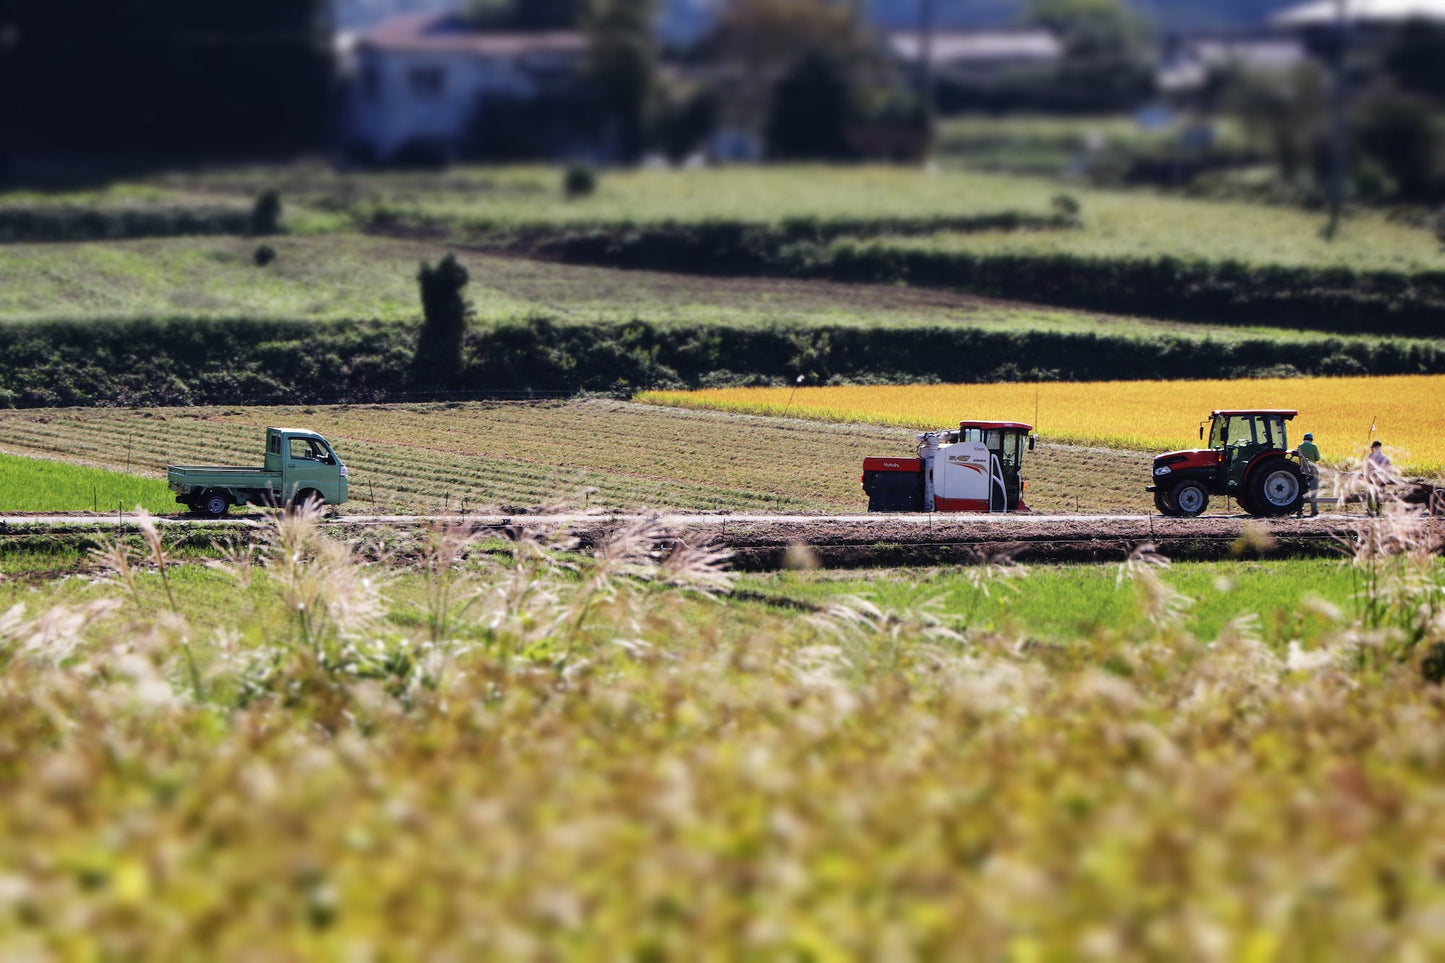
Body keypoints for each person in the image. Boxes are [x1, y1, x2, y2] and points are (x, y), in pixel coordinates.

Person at [1296, 431, 1321, 517]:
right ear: (1311, 439)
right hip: (1312, 469)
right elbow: (1317, 458)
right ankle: (1314, 510)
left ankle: (1300, 509)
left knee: (1302, 490)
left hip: (1303, 470)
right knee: (1314, 490)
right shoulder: (1313, 446)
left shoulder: (1299, 446)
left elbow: (1299, 457)